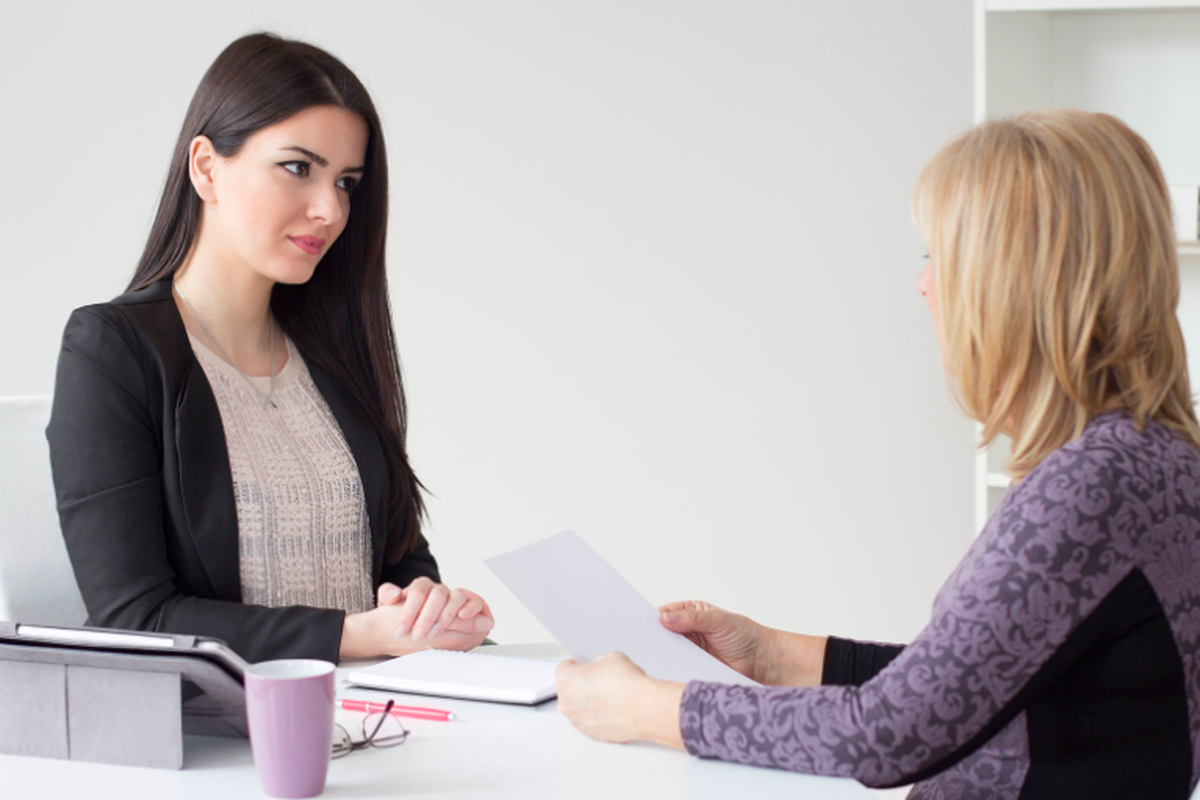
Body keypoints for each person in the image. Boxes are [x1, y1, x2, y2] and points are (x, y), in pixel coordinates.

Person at [555, 109, 1200, 799]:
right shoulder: (1151, 460)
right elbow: (963, 684)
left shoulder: (1090, 486)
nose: (924, 284)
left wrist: (643, 709)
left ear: (1008, 282)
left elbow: (892, 733)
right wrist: (767, 654)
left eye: (938, 258)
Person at [46, 32, 493, 664]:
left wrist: (431, 610)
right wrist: (352, 635)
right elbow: (135, 618)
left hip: (387, 716)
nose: (329, 210)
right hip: (226, 739)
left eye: (346, 182)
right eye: (297, 167)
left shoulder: (334, 353)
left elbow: (399, 565)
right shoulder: (113, 351)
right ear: (206, 167)